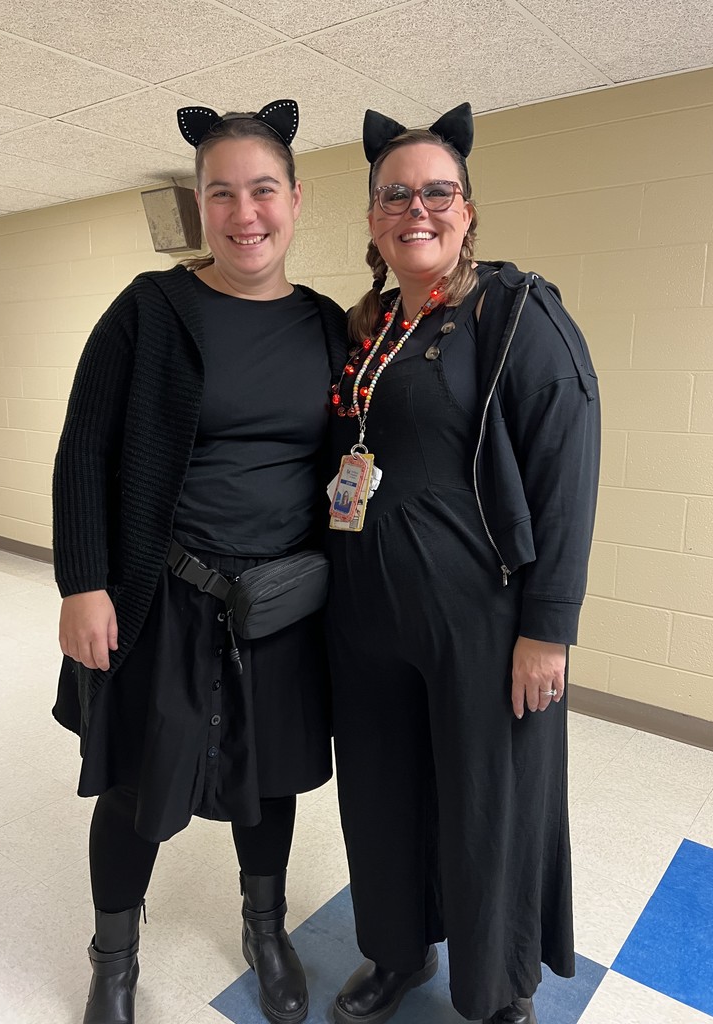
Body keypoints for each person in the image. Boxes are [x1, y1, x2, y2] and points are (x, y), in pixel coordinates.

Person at [52, 99, 346, 1024]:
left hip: (282, 604)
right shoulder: (151, 310)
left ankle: (267, 931)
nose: (244, 213)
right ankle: (114, 957)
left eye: (263, 190)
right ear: (201, 204)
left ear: (296, 200)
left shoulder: (328, 325)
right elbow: (84, 447)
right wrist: (84, 582)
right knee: (138, 780)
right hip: (162, 596)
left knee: (270, 779)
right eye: (223, 193)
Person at [326, 103, 600, 1024]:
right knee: (381, 800)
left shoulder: (515, 313)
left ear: (469, 208)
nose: (418, 208)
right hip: (365, 620)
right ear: (371, 218)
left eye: (438, 191)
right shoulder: (369, 328)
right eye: (395, 194)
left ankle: (497, 987)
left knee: (488, 810)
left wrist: (547, 629)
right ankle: (398, 954)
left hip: (482, 626)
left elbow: (568, 470)